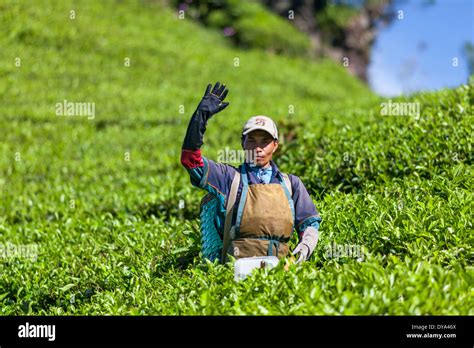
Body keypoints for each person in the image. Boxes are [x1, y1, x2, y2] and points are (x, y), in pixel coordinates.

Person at [181, 82, 321, 263]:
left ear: (275, 145)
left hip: (281, 275)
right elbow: (190, 161)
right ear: (243, 143)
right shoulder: (229, 177)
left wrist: (300, 253)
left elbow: (310, 224)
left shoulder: (291, 184)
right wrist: (200, 117)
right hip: (232, 275)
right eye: (252, 140)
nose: (258, 148)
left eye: (265, 141)